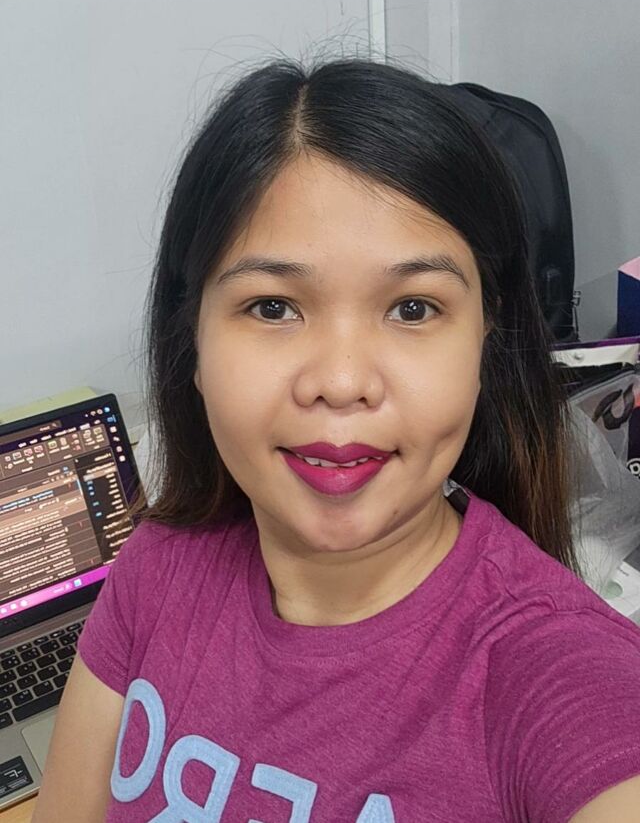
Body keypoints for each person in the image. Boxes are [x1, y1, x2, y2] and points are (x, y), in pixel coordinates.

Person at [33, 57, 640, 822]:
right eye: (274, 307)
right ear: (193, 343)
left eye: (413, 308)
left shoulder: (558, 680)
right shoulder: (158, 566)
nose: (343, 381)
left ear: (485, 343)